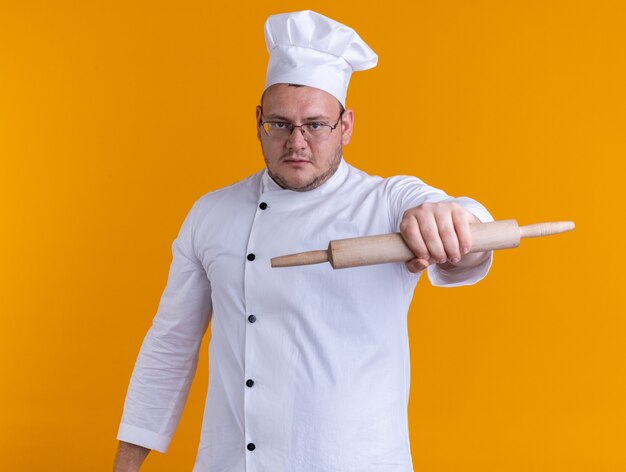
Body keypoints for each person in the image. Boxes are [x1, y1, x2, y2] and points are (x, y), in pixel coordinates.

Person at [114, 10, 493, 472]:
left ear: (346, 126)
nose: (297, 142)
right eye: (280, 124)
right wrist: (125, 464)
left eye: (315, 125)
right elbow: (170, 343)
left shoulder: (387, 201)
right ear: (258, 121)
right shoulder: (212, 213)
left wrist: (454, 221)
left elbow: (465, 228)